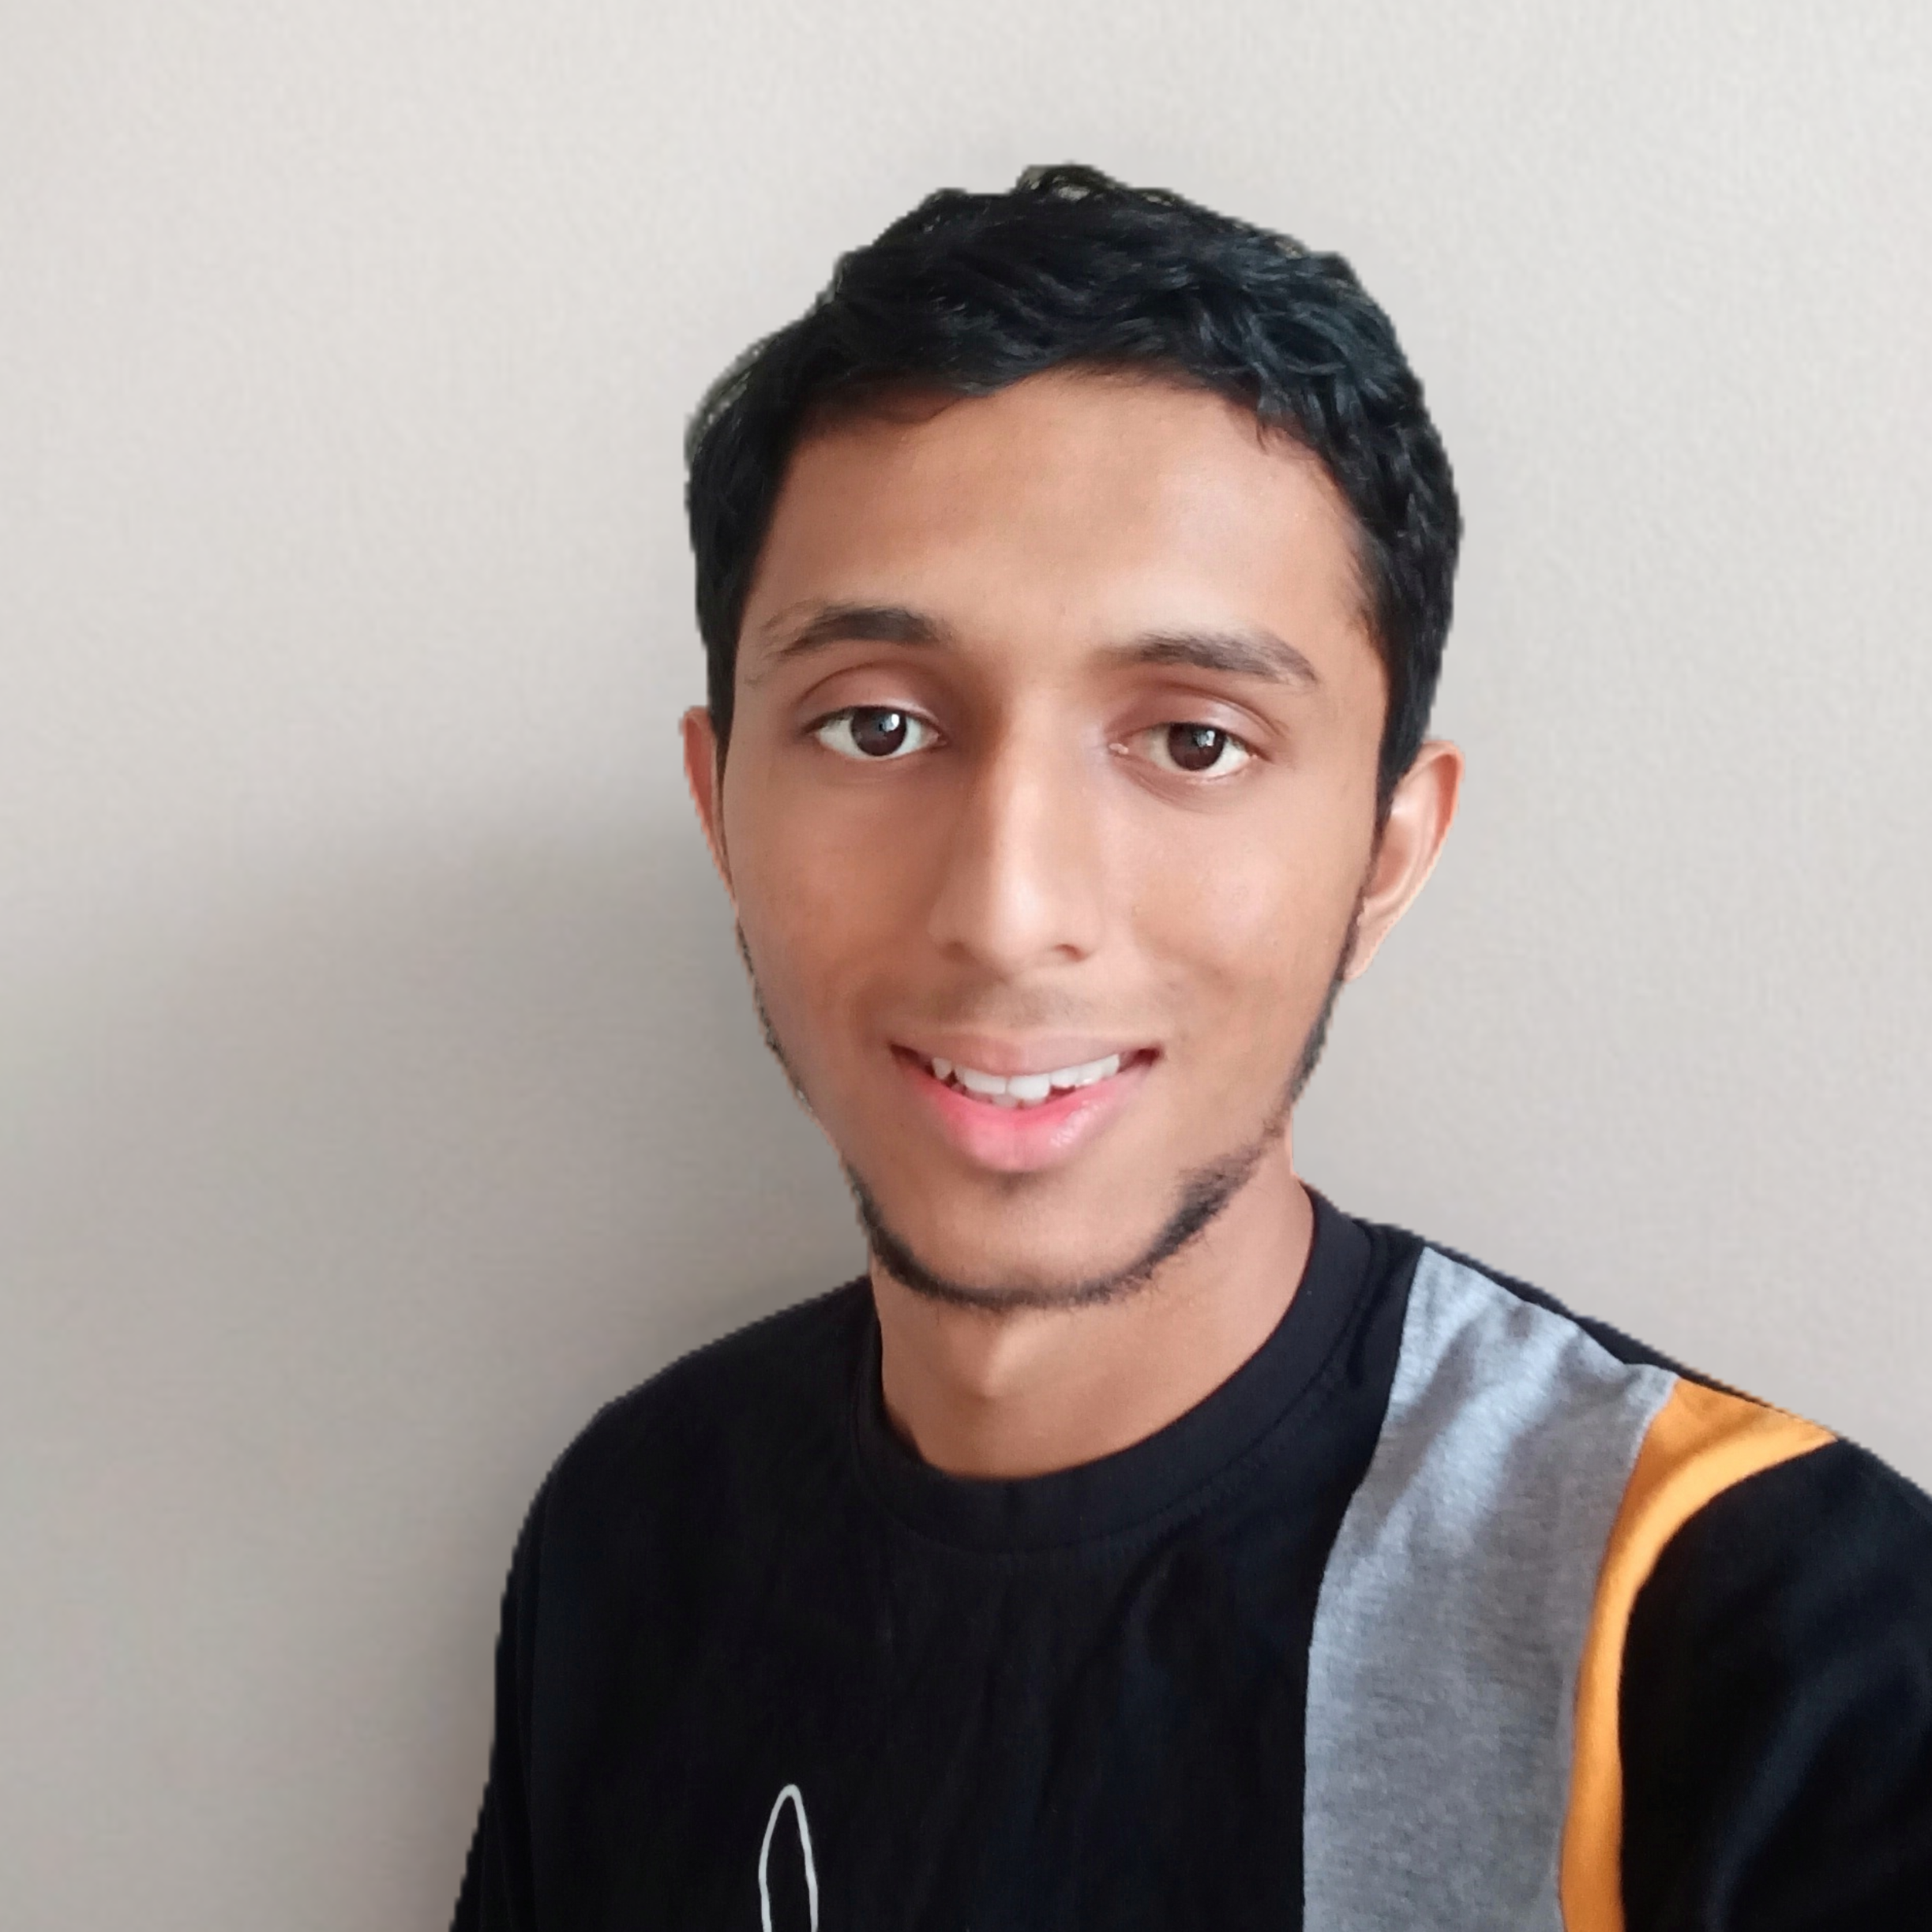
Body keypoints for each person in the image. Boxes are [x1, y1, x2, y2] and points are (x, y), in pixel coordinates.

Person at [452, 166, 1932, 1930]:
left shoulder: (1763, 1636)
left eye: (1193, 741)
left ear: (1384, 853)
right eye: (877, 725)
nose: (1008, 908)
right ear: (719, 809)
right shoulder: (633, 1537)